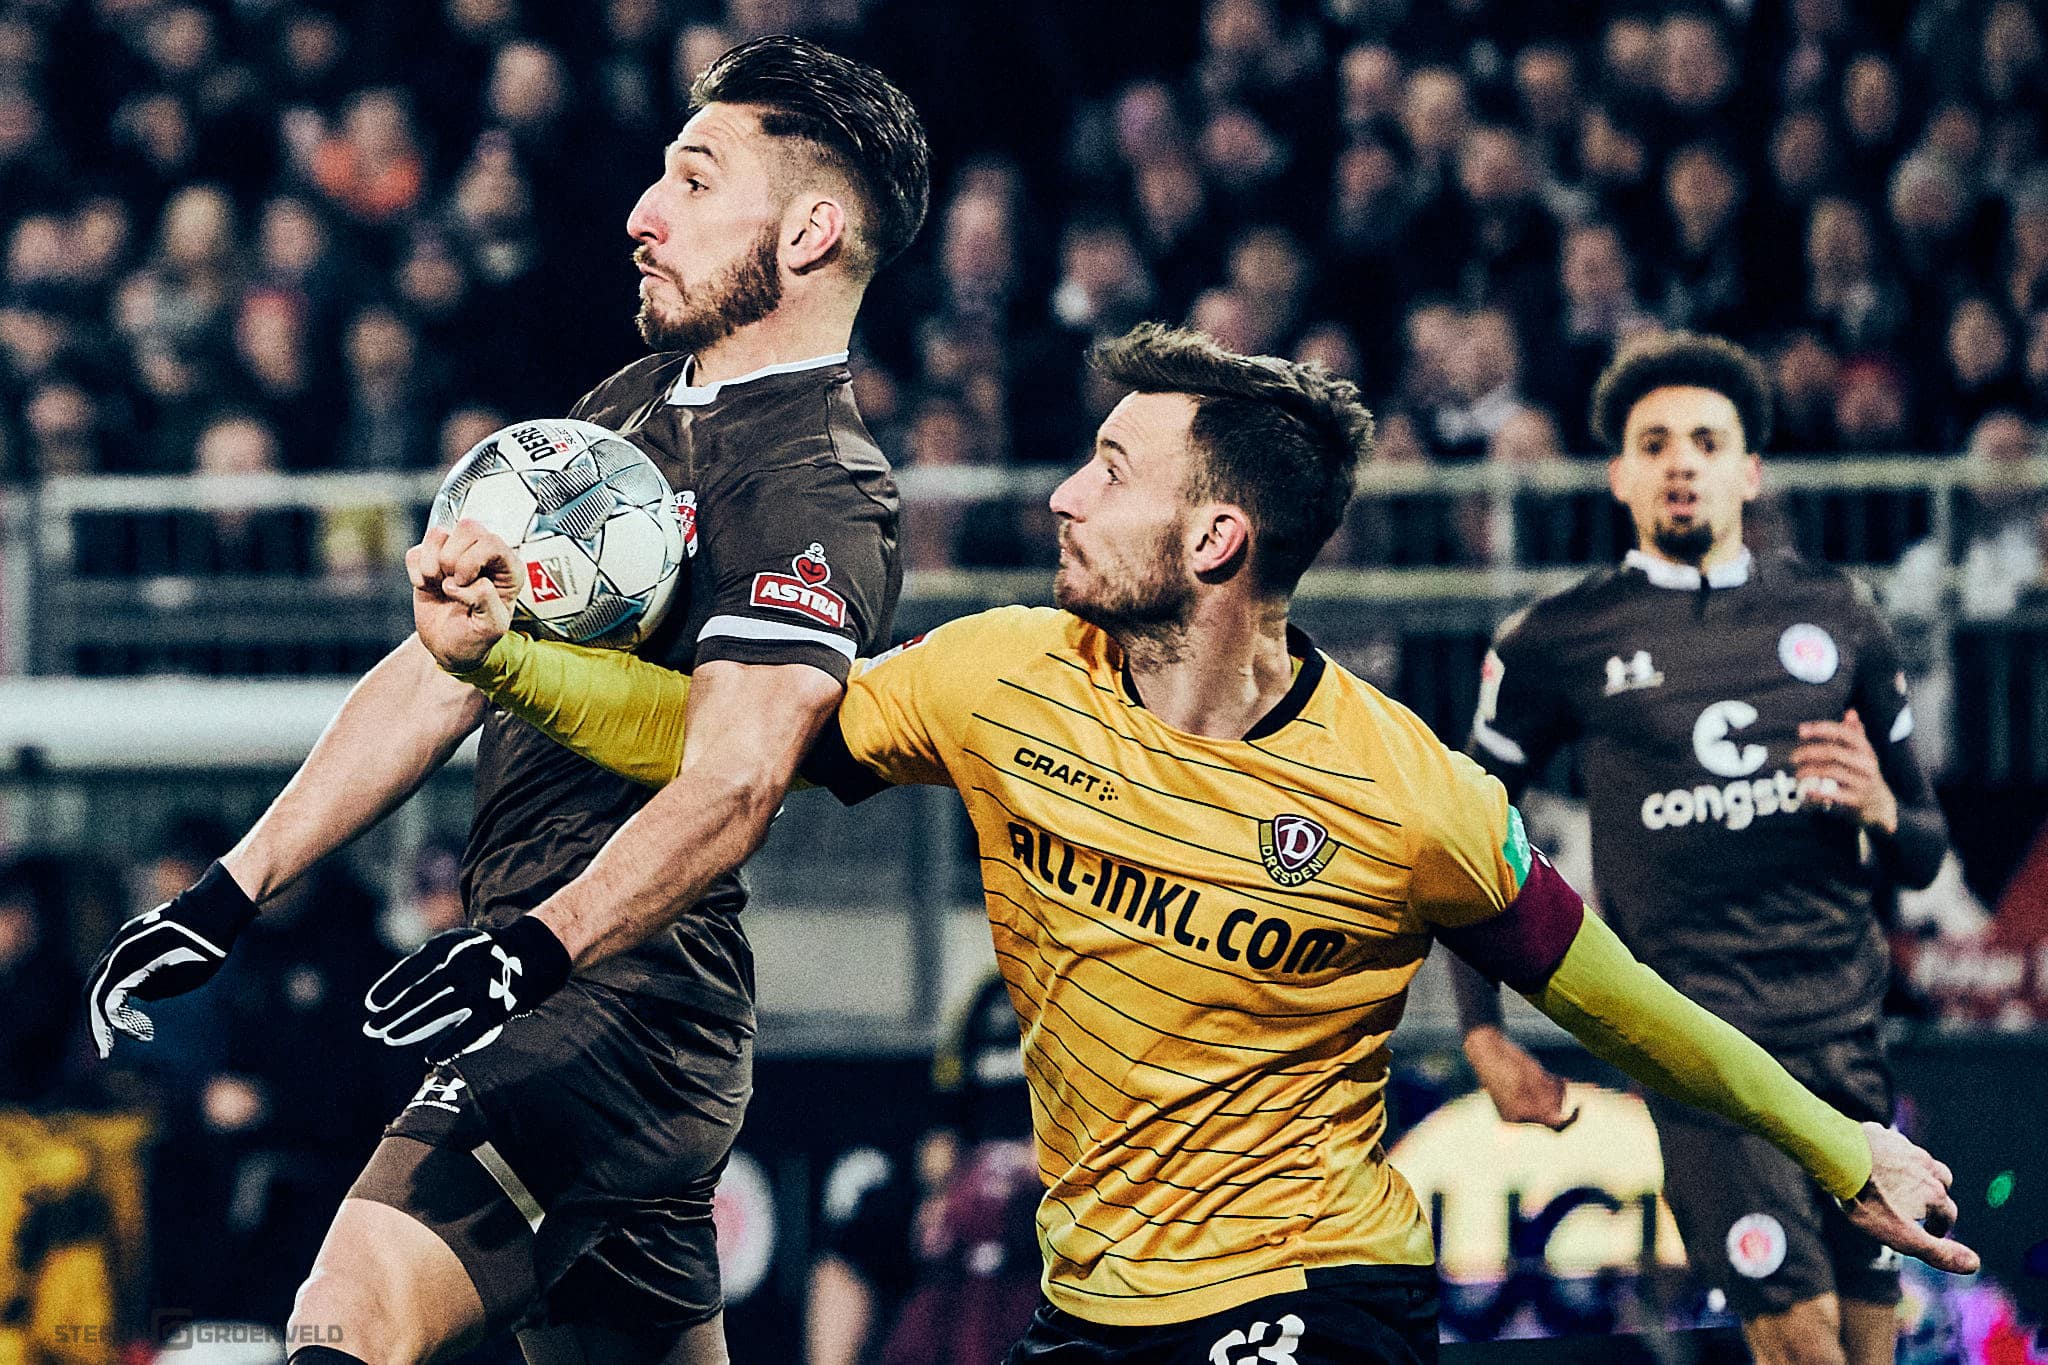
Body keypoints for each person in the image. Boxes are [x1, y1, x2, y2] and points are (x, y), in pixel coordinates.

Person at [408, 323, 1975, 1365]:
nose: (1061, 495)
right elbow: (729, 746)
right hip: (1093, 1302)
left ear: (1216, 537)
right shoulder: (997, 676)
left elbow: (1629, 1005)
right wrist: (509, 660)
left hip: (1318, 1292)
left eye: (1110, 471)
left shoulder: (1409, 794)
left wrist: (1846, 1148)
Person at [84, 35, 929, 1365]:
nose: (643, 213)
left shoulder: (814, 486)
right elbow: (444, 672)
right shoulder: (629, 407)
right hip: (576, 1002)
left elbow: (737, 778)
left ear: (812, 231)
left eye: (696, 180)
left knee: (342, 1318)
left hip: (616, 1006)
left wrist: (532, 950)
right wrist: (228, 892)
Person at [1451, 331, 1952, 1365]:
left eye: (1706, 441)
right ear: (1619, 475)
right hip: (1701, 1053)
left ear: (1749, 470)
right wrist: (1481, 1031)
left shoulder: (1835, 613)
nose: (1681, 462)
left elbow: (1923, 853)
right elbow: (1462, 834)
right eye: (1655, 443)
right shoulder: (1555, 638)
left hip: (1845, 1036)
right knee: (1804, 1346)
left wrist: (1880, 807)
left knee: (1872, 1352)